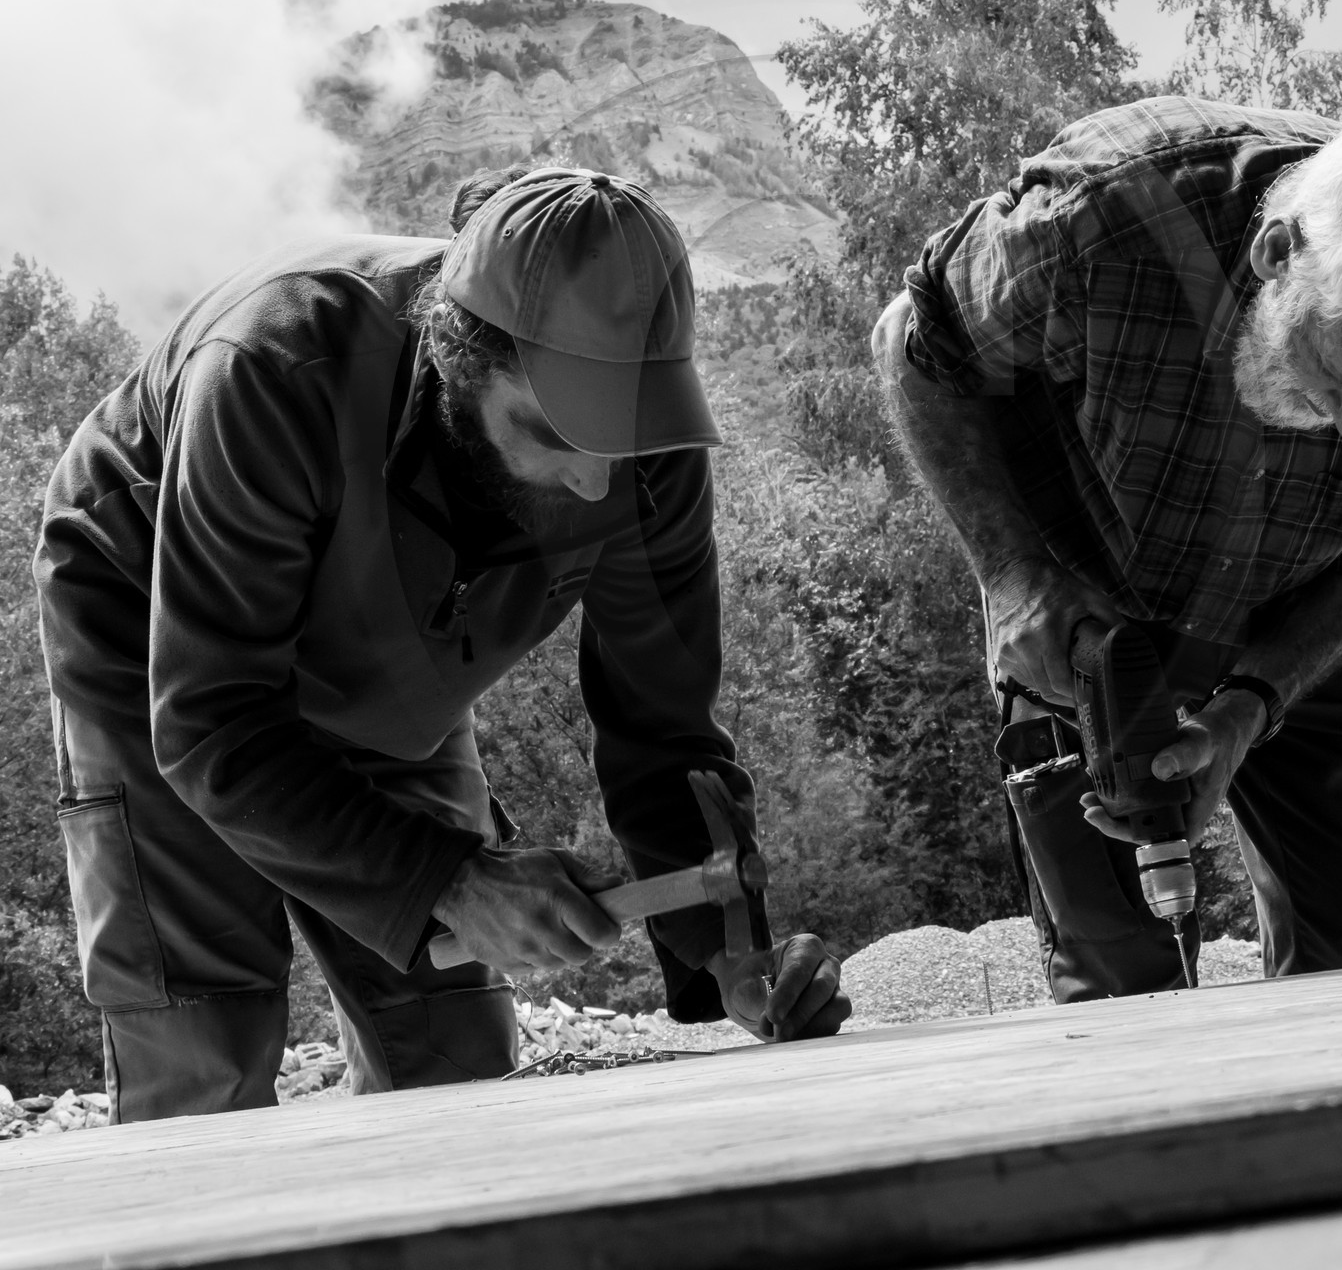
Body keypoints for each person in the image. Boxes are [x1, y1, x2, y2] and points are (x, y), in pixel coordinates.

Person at [35, 165, 849, 1123]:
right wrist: (451, 878)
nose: (596, 483)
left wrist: (732, 954)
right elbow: (213, 724)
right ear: (459, 354)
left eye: (620, 438)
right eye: (551, 430)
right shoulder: (271, 366)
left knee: (455, 1055)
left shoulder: (648, 459)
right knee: (204, 1046)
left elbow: (662, 727)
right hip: (157, 635)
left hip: (388, 659)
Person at [873, 97, 1342, 1002]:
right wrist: (1014, 575)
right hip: (1082, 621)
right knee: (1116, 979)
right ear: (1276, 255)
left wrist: (1251, 705)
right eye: (1340, 378)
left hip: (1299, 609)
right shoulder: (1105, 218)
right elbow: (913, 347)